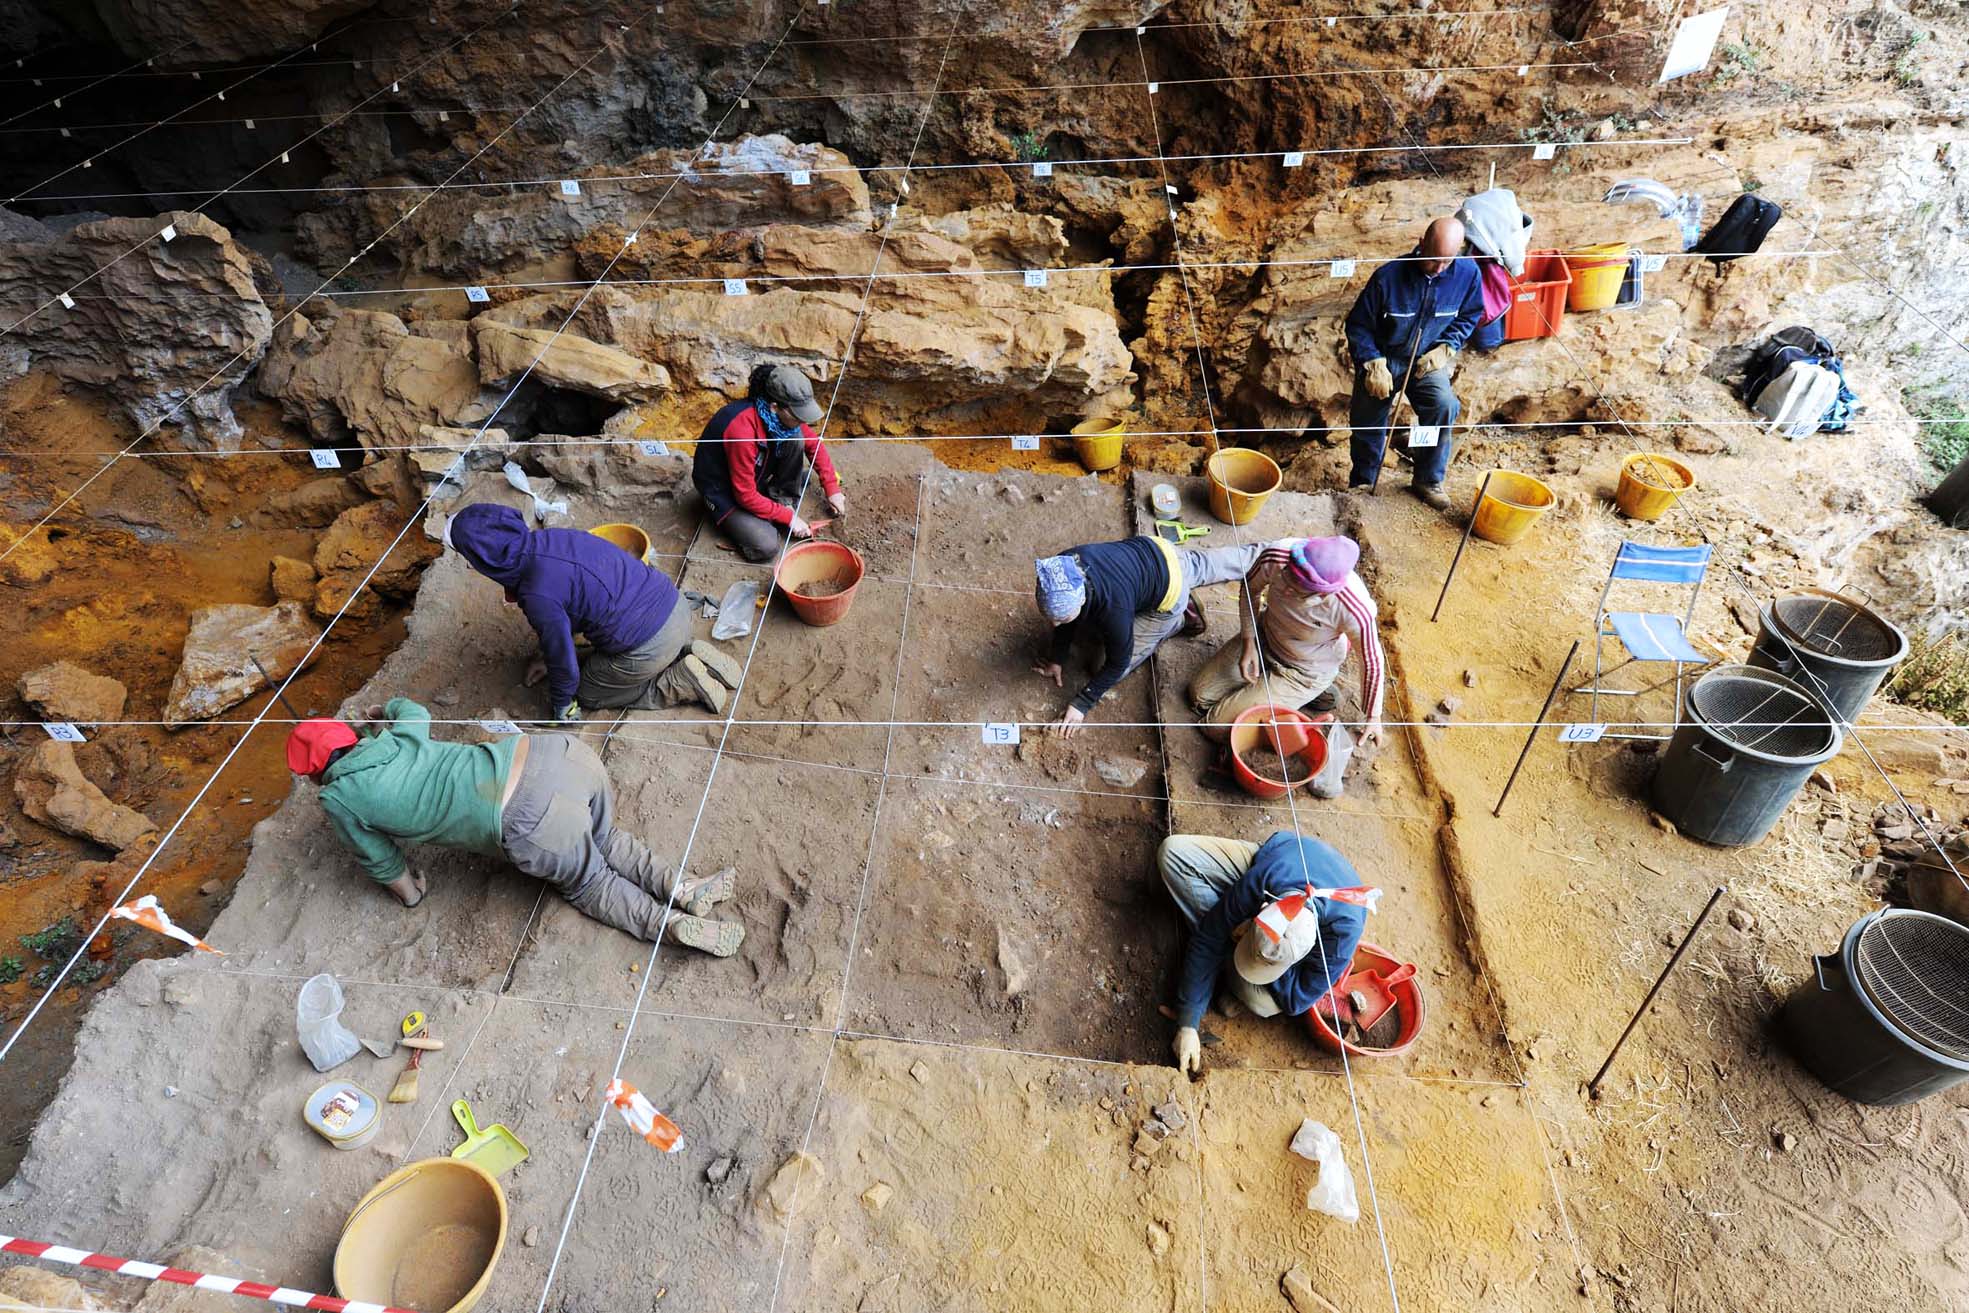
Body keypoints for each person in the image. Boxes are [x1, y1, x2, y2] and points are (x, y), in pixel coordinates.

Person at [287, 700, 742, 954]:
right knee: (604, 836)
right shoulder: (396, 736)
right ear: (354, 736)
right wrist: (381, 709)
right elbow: (414, 711)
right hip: (561, 755)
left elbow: (381, 859)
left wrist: (411, 895)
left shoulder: (337, 797)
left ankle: (667, 922)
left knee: (591, 882)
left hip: (531, 818)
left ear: (313, 775)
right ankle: (684, 887)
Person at [446, 502, 742, 722]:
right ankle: (689, 650)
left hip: (649, 644)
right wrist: (544, 657)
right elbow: (576, 601)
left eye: (468, 556)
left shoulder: (536, 592)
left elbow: (563, 659)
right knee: (607, 648)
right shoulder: (554, 537)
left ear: (484, 557)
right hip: (674, 605)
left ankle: (677, 682)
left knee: (589, 690)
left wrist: (563, 704)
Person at [1159, 831, 1376, 1075]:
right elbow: (1209, 937)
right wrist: (1188, 1024)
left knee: (1262, 1003)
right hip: (1279, 862)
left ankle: (1231, 947)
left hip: (1308, 901)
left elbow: (1296, 1001)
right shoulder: (1267, 878)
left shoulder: (1340, 939)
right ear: (1263, 908)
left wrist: (1237, 936)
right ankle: (1232, 942)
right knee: (1172, 853)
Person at [1032, 535, 1245, 735]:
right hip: (1155, 547)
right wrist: (1057, 658)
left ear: (1082, 599)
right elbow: (1063, 612)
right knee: (1227, 561)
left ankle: (1181, 618)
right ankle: (1265, 552)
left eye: (1061, 617)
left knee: (1099, 664)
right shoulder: (1061, 569)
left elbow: (1118, 663)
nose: (1053, 624)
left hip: (1171, 591)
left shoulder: (1112, 610)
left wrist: (1082, 703)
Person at [1187, 535, 1385, 747]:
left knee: (1215, 727)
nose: (1287, 588)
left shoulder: (1353, 607)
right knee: (1198, 697)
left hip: (1303, 672)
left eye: (1298, 587)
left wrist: (1373, 716)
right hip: (1265, 638)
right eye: (1288, 576)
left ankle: (1310, 692)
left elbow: (1371, 660)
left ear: (1322, 594)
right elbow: (1250, 589)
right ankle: (1276, 691)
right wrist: (1249, 642)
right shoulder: (1279, 555)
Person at [1343, 216, 1484, 508]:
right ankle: (1364, 483)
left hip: (1425, 359)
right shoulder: (1388, 277)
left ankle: (1427, 479)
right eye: (1433, 259)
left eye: (1447, 262)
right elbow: (1358, 325)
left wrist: (1447, 347)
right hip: (1385, 358)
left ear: (1459, 251)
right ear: (1421, 244)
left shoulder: (1468, 274)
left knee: (1443, 406)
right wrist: (1371, 362)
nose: (1439, 268)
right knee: (1368, 422)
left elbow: (1470, 315)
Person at [692, 363, 847, 562]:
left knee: (796, 437)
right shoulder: (741, 432)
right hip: (723, 491)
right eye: (798, 415)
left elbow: (813, 444)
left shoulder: (779, 418)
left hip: (752, 475)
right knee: (766, 545)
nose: (803, 421)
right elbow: (745, 495)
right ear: (775, 407)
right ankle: (738, 521)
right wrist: (789, 518)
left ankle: (781, 500)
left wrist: (832, 489)